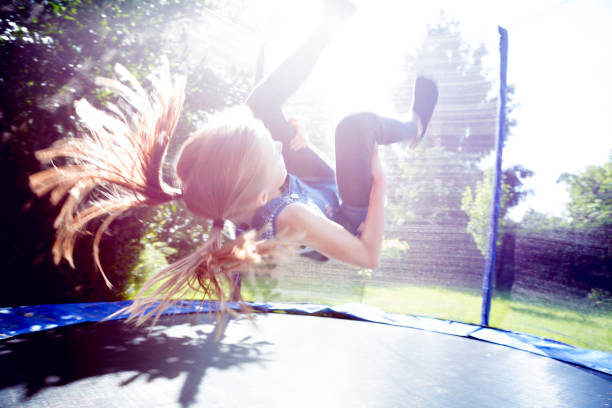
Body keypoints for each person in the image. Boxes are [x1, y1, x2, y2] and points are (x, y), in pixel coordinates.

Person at [29, 0, 438, 325]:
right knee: (353, 128)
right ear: (263, 190)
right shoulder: (293, 216)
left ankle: (327, 26)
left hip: (300, 189)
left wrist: (294, 147)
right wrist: (379, 185)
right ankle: (415, 127)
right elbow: (367, 257)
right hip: (341, 216)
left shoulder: (237, 193)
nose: (281, 146)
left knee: (259, 107)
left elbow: (259, 168)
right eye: (273, 149)